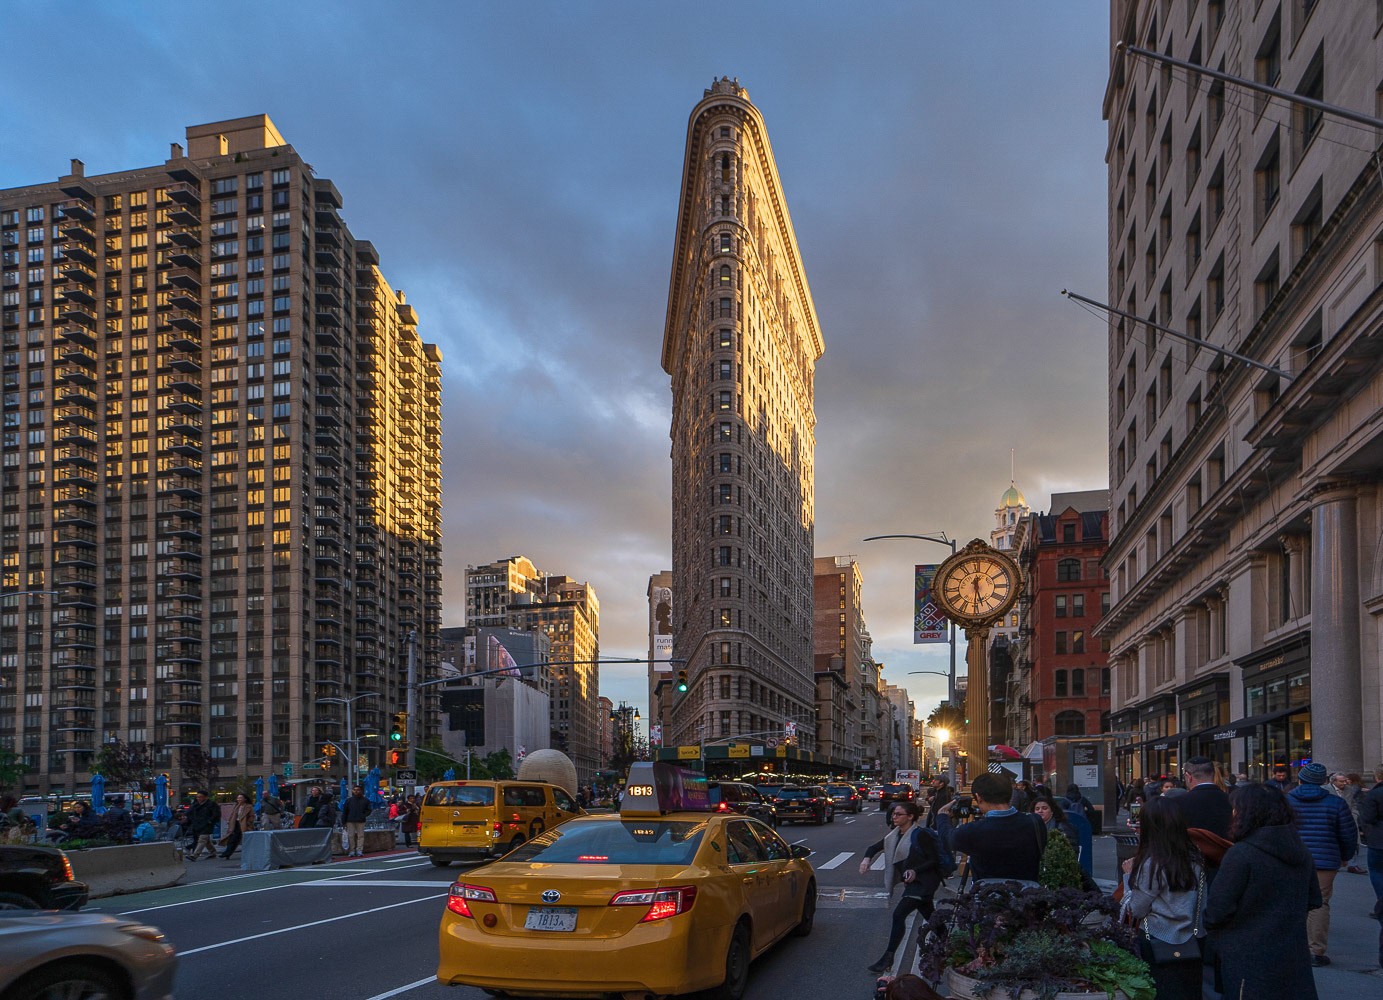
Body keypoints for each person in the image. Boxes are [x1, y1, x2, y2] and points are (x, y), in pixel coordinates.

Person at [1206, 783, 1321, 999]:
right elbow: (1313, 899)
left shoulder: (1242, 854)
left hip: (1246, 956)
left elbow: (1217, 910)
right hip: (1291, 955)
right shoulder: (1300, 849)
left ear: (1247, 813)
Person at [1119, 796, 1204, 1000]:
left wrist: (1128, 876)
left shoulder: (1152, 864)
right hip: (1190, 941)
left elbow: (1136, 909)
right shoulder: (1195, 859)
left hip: (1154, 939)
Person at [858, 800, 942, 974]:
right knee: (931, 916)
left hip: (924, 883)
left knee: (899, 914)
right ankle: (951, 943)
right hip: (913, 883)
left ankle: (888, 958)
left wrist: (915, 870)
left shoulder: (920, 835)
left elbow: (933, 860)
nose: (893, 817)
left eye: (898, 814)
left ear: (910, 817)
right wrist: (866, 859)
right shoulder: (894, 836)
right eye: (893, 814)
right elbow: (873, 847)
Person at [1287, 760, 1358, 965]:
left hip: (1294, 858)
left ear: (1300, 780)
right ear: (1324, 781)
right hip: (1325, 860)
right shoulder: (1335, 803)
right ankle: (1315, 951)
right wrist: (1345, 856)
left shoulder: (1288, 800)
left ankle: (1294, 946)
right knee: (1320, 903)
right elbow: (1347, 834)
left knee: (1294, 901)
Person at [935, 772, 1045, 885]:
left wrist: (942, 816)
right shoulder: (1035, 822)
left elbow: (947, 838)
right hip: (1028, 896)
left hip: (988, 896)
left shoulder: (973, 831)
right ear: (1010, 794)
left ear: (978, 797)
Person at [1174, 756, 1232, 840]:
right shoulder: (1232, 800)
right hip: (1226, 850)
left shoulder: (1177, 802)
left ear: (1188, 777)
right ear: (1213, 774)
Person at [1357, 764, 1383, 921]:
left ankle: (1381, 902)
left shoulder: (1374, 794)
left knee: (1377, 871)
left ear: (1376, 777)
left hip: (1378, 840)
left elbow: (1368, 817)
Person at [218, 793, 255, 859]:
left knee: (244, 840)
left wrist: (248, 823)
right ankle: (227, 853)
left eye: (240, 798)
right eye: (238, 798)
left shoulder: (248, 806)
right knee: (232, 839)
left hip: (244, 825)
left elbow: (251, 816)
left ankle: (229, 853)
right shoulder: (237, 806)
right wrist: (230, 821)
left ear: (245, 799)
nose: (239, 799)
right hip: (236, 824)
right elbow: (233, 815)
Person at [187, 791, 219, 861]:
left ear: (206, 797)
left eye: (201, 797)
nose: (199, 798)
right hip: (198, 824)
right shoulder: (196, 805)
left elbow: (216, 814)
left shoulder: (211, 804)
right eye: (198, 797)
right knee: (206, 840)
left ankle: (195, 855)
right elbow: (191, 814)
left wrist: (210, 821)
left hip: (207, 824)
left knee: (202, 839)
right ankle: (213, 852)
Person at [340, 785, 372, 857]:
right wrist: (343, 822)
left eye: (358, 790)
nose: (356, 791)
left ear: (361, 791)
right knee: (351, 836)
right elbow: (345, 811)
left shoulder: (365, 800)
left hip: (360, 820)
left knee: (360, 836)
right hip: (350, 820)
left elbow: (369, 810)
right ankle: (352, 850)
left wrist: (363, 815)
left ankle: (359, 850)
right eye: (355, 790)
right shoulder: (349, 800)